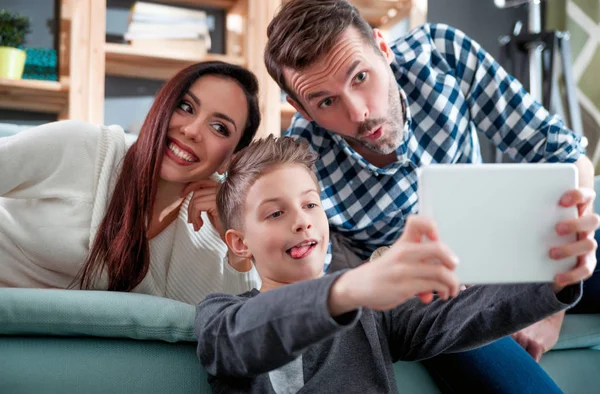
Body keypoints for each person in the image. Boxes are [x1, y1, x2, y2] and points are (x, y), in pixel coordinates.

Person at [264, 0, 599, 391]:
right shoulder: (304, 160)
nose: (358, 113)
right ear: (299, 106)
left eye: (360, 77)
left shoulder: (441, 53)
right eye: (325, 102)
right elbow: (317, 293)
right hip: (433, 302)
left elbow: (564, 155)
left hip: (522, 240)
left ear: (382, 47)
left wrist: (550, 309)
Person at [195, 136, 591, 393]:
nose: (302, 220)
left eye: (310, 204)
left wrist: (551, 278)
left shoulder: (374, 316)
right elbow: (243, 338)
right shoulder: (220, 316)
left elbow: (462, 314)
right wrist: (348, 288)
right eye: (275, 213)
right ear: (240, 243)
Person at [0, 61, 261, 304]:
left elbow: (235, 322)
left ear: (231, 159)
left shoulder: (211, 221)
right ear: (162, 106)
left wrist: (237, 247)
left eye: (219, 128)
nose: (192, 131)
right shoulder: (84, 147)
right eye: (186, 107)